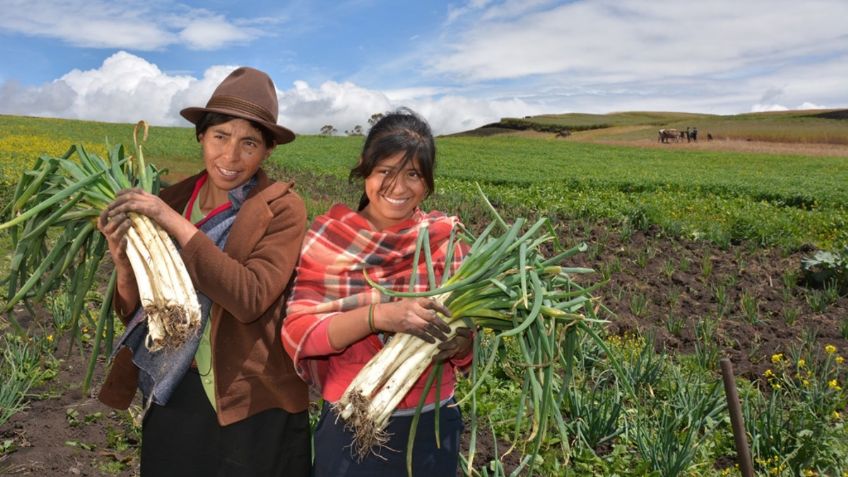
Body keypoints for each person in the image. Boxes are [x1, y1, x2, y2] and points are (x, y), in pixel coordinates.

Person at [96, 67, 311, 476]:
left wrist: (171, 221)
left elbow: (249, 298)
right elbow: (138, 312)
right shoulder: (173, 198)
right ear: (201, 136)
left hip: (251, 398)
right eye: (220, 136)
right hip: (176, 386)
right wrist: (123, 261)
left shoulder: (280, 208)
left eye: (249, 143)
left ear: (268, 150)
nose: (231, 157)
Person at [282, 109, 473, 476]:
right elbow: (299, 331)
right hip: (352, 423)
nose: (398, 188)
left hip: (432, 425)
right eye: (385, 171)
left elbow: (469, 343)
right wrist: (378, 316)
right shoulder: (331, 239)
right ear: (365, 170)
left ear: (428, 182)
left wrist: (462, 345)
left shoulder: (445, 242)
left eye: (413, 174)